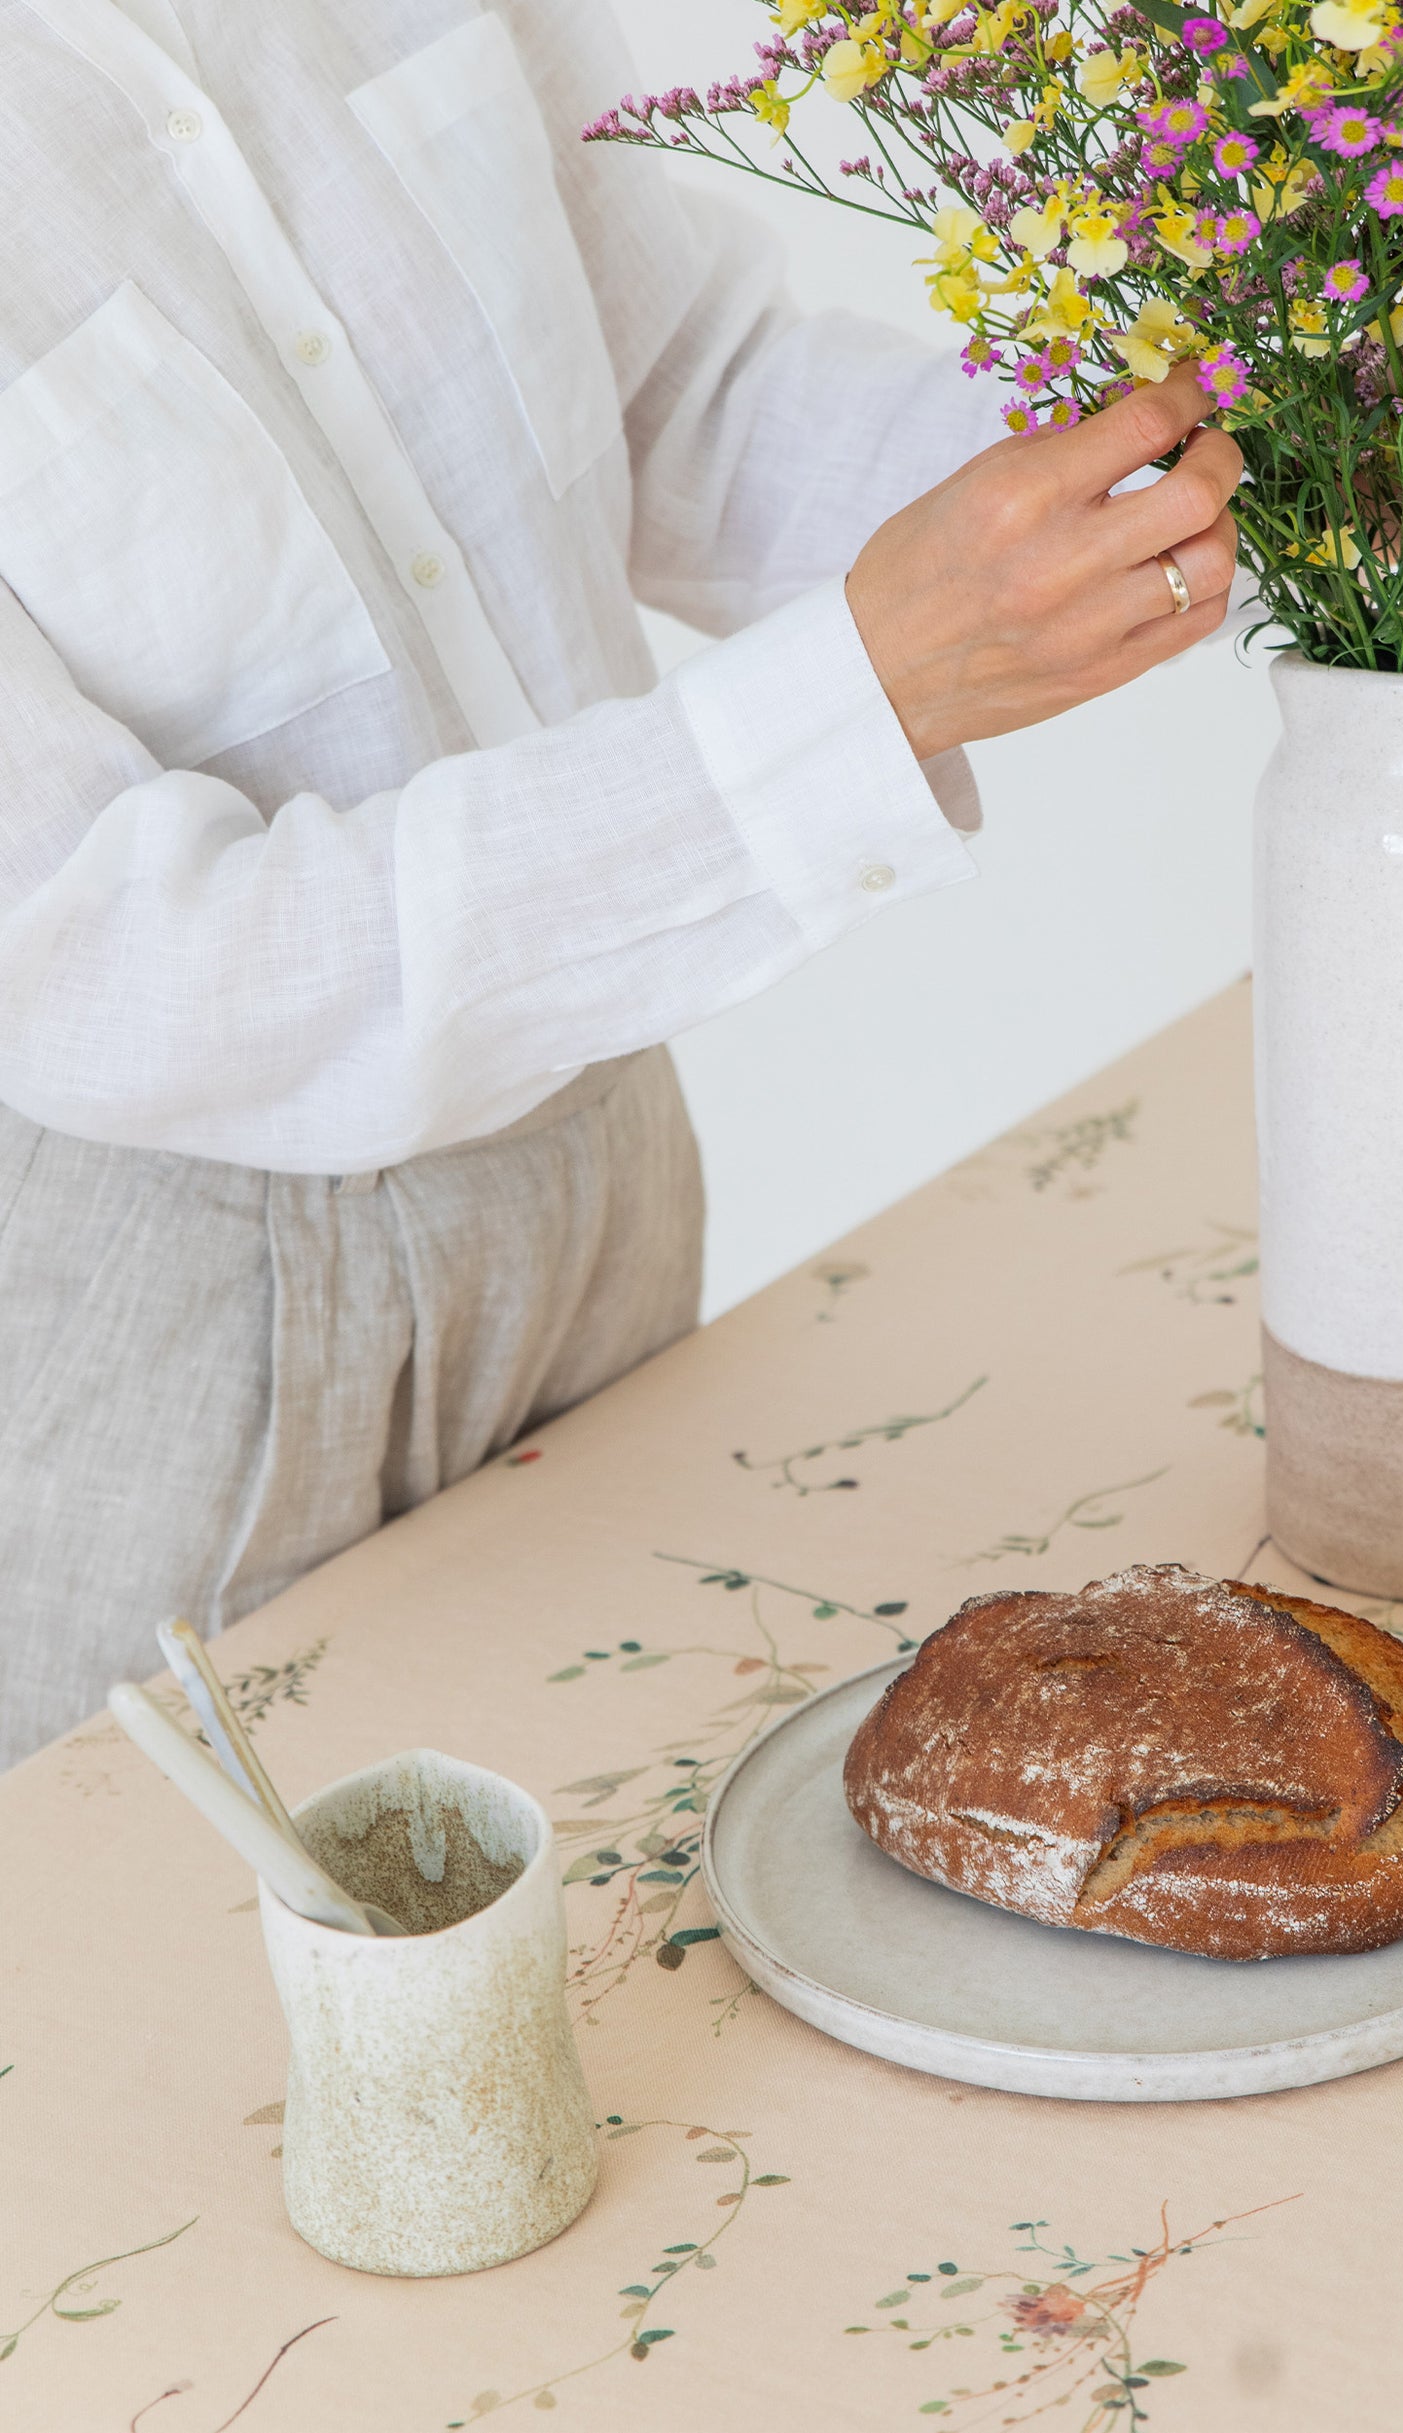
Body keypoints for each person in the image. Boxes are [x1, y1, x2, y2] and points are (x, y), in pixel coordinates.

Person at [0, 0, 1241, 1770]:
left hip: (604, 1142)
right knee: (163, 1986)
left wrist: (1180, 457)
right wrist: (856, 702)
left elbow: (682, 393)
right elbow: (112, 962)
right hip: (157, 1315)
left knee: (638, 1845)